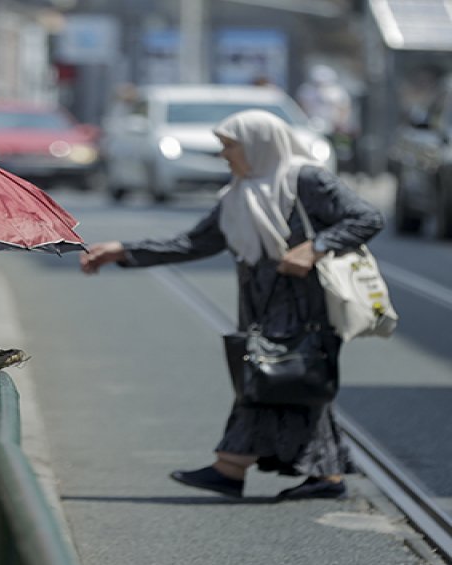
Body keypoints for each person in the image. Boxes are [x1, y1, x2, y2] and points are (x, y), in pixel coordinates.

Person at [79, 109, 384, 501]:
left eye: (229, 147)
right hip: (260, 306)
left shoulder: (306, 179)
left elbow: (367, 218)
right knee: (291, 380)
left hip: (305, 306)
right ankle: (318, 476)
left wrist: (315, 247)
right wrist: (122, 251)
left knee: (273, 377)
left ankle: (232, 466)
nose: (223, 156)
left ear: (259, 145)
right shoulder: (240, 193)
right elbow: (195, 243)